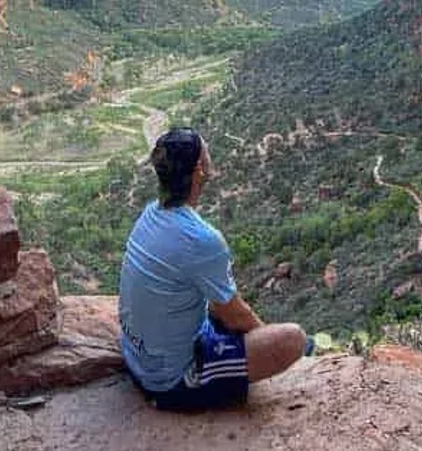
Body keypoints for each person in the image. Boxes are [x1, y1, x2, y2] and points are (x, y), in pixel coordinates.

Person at [118, 126, 310, 411]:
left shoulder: (149, 214)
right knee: (293, 340)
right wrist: (263, 340)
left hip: (135, 356)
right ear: (199, 169)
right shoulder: (202, 240)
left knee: (215, 311)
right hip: (170, 380)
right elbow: (234, 316)